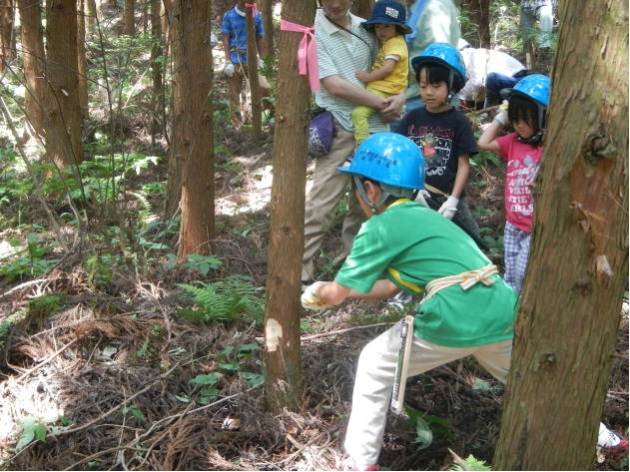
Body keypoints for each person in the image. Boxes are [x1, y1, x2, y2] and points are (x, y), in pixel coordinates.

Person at [301, 132, 519, 471]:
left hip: (454, 312)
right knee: (527, 380)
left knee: (374, 364)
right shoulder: (428, 217)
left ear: (370, 189)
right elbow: (389, 288)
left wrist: (316, 292)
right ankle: (604, 439)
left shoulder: (381, 226)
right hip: (500, 305)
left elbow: (337, 293)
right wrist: (337, 291)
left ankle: (361, 463)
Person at [301, 0, 405, 285]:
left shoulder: (369, 28)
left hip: (375, 127)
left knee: (367, 202)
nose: (335, 3)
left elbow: (394, 68)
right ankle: (299, 270)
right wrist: (384, 102)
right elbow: (333, 84)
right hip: (339, 125)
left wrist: (400, 97)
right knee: (323, 201)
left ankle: (355, 263)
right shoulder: (312, 31)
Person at [395, 42, 481, 243]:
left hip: (449, 197)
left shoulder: (459, 122)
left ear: (451, 86)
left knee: (468, 241)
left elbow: (463, 164)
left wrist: (454, 199)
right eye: (424, 86)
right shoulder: (412, 118)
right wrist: (413, 188)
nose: (429, 92)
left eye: (436, 86)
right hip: (418, 196)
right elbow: (402, 156)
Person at [477, 74, 549, 293]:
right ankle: (510, 314)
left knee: (522, 273)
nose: (520, 125)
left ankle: (520, 313)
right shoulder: (513, 142)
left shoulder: (548, 147)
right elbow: (483, 142)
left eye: (526, 118)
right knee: (510, 275)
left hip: (533, 225)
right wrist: (503, 116)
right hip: (513, 223)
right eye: (516, 119)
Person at [352, 0, 410, 146]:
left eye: (387, 26)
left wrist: (367, 77)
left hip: (383, 88)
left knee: (358, 114)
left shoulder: (395, 44)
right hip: (386, 88)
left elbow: (388, 68)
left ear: (398, 28)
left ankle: (362, 145)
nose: (381, 31)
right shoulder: (392, 42)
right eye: (377, 26)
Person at [395, 0, 461, 121]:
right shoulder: (416, 8)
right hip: (415, 94)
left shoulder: (435, 6)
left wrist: (397, 64)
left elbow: (439, 59)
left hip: (428, 97)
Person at [220, 0, 271, 128]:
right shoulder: (229, 16)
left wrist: (262, 59)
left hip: (252, 59)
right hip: (235, 58)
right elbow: (225, 39)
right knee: (234, 95)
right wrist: (227, 61)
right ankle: (237, 126)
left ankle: (267, 117)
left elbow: (260, 38)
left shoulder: (256, 15)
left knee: (264, 87)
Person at [457, 39, 529, 109]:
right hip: (506, 84)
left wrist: (458, 95)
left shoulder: (477, 54)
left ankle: (490, 111)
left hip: (519, 80)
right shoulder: (469, 63)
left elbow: (476, 82)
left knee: (492, 78)